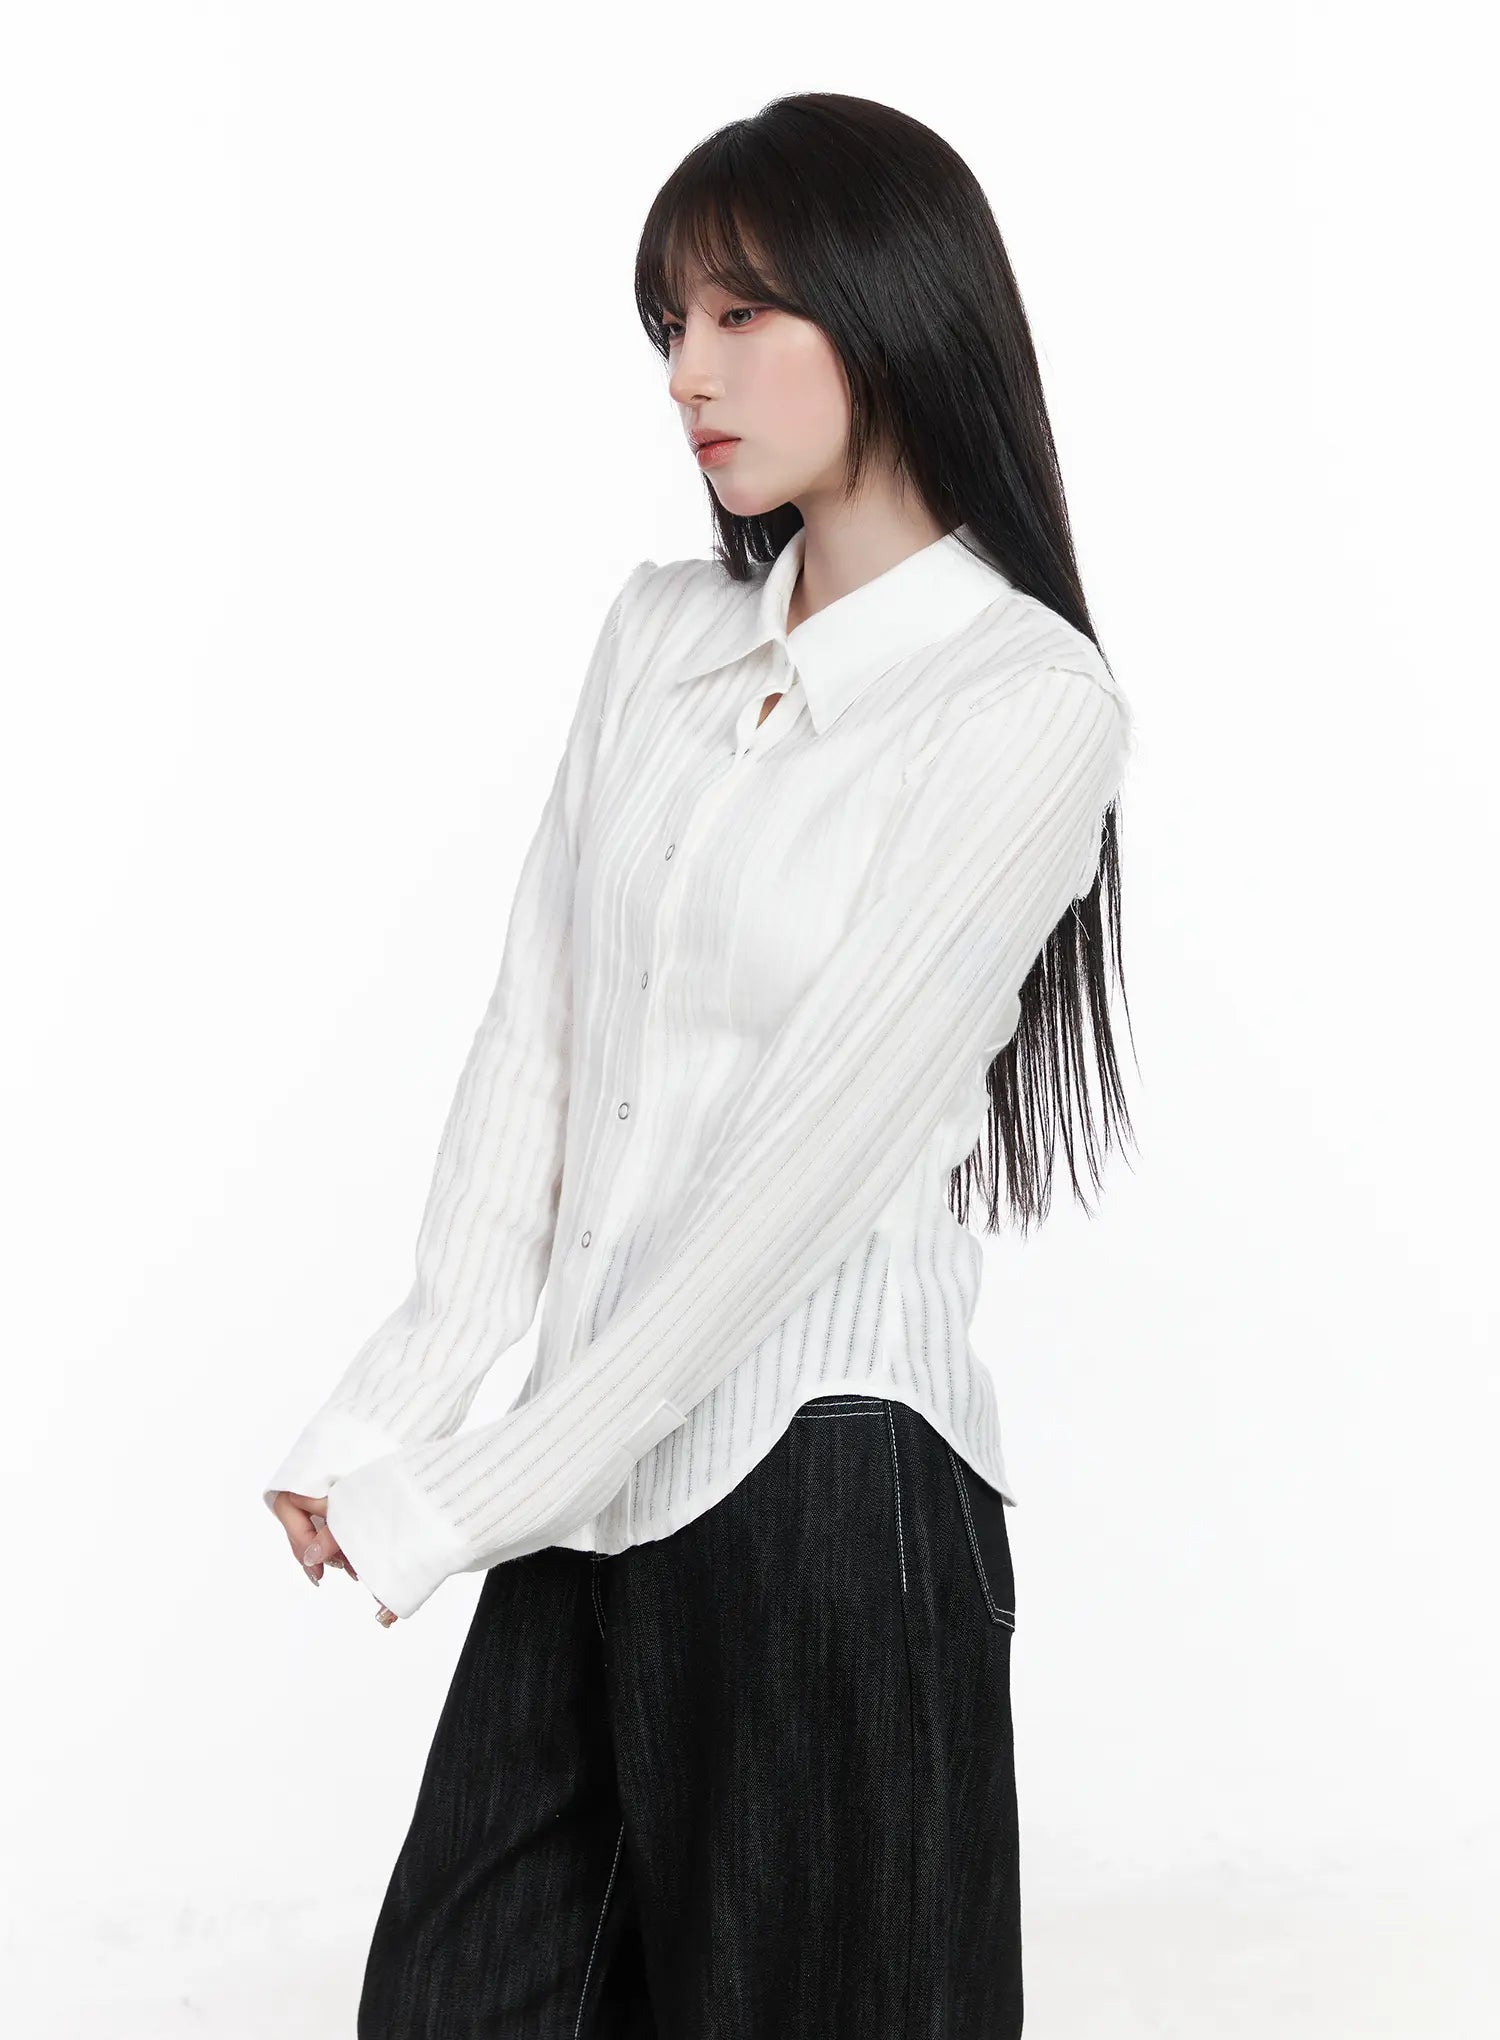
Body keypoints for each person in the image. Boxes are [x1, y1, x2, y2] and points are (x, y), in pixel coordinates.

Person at [264, 90, 1139, 2039]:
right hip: (582, 1491)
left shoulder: (1024, 707)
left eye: (744, 314)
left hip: (829, 1492)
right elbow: (539, 1056)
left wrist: (462, 1497)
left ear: (894, 307)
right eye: (672, 322)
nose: (688, 374)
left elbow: (784, 1195)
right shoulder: (658, 643)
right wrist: (385, 1419)